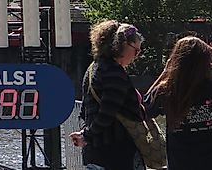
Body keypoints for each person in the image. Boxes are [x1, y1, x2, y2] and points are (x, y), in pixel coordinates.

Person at [69, 20, 146, 170]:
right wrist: (87, 135)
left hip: (94, 152)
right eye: (136, 50)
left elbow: (85, 111)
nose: (136, 56)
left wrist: (86, 134)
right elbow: (107, 112)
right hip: (117, 152)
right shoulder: (114, 73)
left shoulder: (92, 69)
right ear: (122, 46)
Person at [144, 36, 212, 169]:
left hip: (179, 161)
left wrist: (164, 73)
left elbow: (146, 108)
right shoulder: (209, 86)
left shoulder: (167, 89)